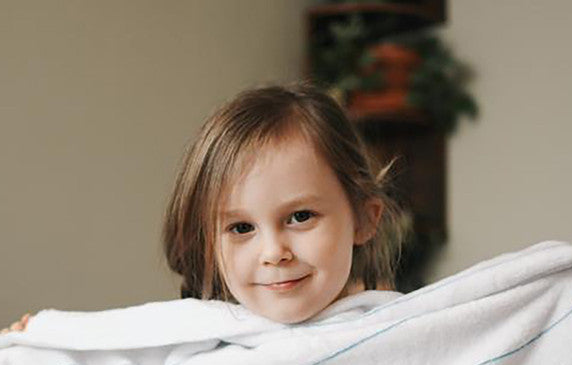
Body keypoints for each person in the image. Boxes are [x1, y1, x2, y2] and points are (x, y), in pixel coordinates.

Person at [2, 80, 412, 330]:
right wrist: (45, 345)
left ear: (363, 218)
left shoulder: (407, 331)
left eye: (300, 216)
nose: (273, 253)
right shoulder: (190, 343)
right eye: (241, 228)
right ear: (207, 242)